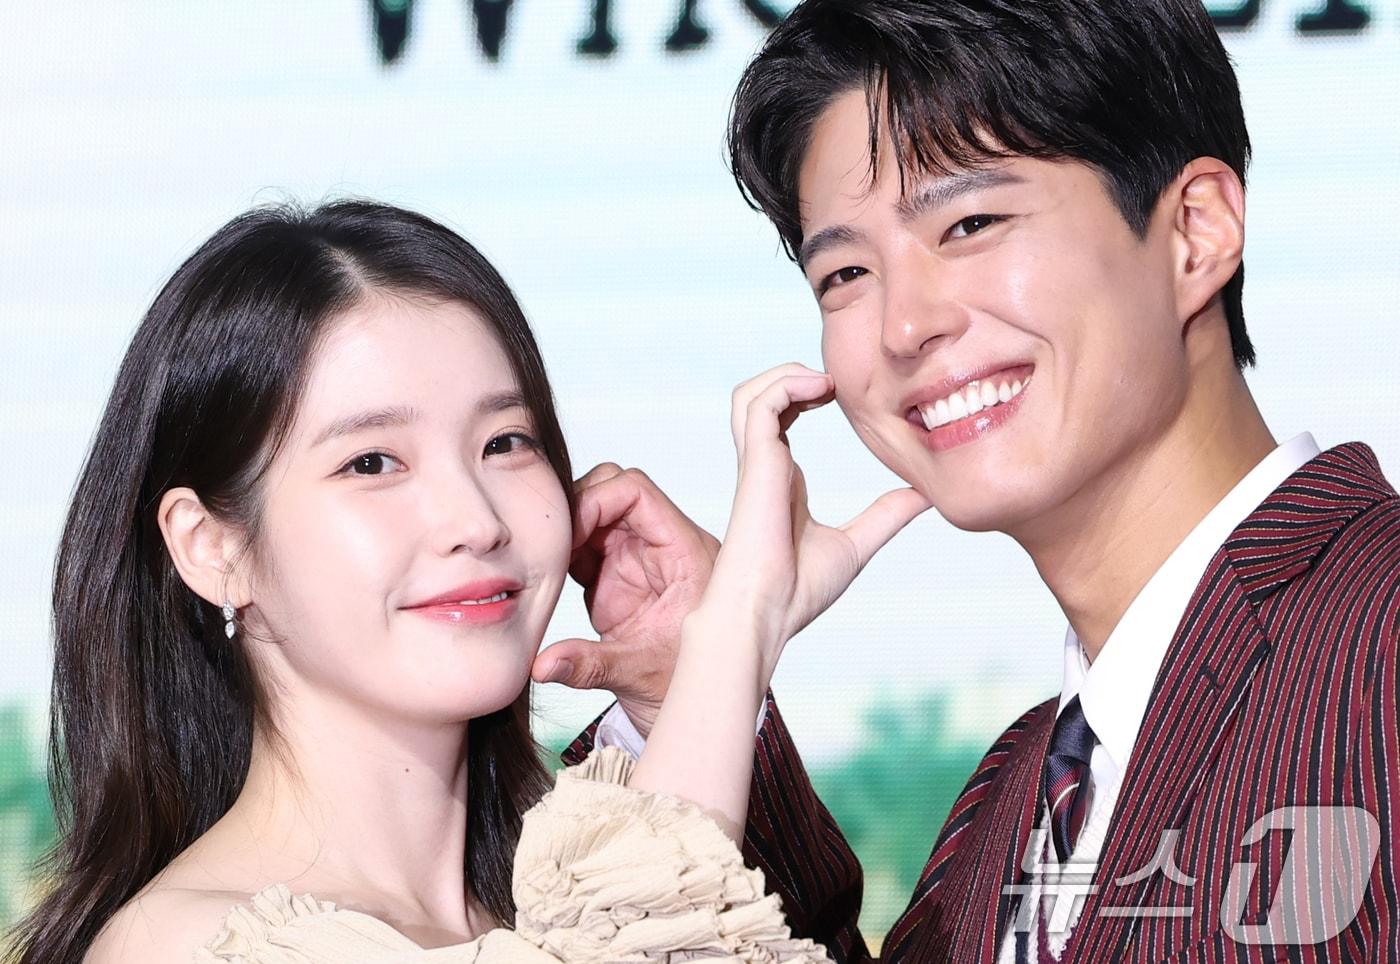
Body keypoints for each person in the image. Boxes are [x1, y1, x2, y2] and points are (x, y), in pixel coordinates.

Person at [536, 1, 1400, 960]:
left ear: (1196, 231)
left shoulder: (1379, 637)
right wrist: (707, 677)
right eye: (846, 275)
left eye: (971, 223)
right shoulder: (1010, 796)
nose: (905, 327)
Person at [3, 200, 920, 964]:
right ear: (212, 547)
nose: (475, 519)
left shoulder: (558, 891)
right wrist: (738, 625)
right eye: (371, 462)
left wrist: (690, 685)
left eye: (505, 442)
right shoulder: (192, 945)